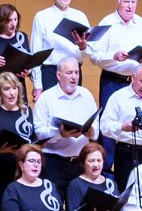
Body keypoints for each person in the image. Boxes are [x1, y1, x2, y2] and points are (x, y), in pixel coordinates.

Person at [31, 56, 99, 193]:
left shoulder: (86, 95)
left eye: (76, 72)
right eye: (69, 73)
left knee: (81, 204)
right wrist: (59, 134)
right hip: (54, 164)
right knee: (54, 202)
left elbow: (96, 126)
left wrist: (92, 132)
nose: (74, 77)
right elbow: (39, 132)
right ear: (58, 75)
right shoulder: (46, 98)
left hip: (81, 162)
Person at [87, 0, 142, 105]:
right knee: (109, 115)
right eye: (126, 2)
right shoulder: (107, 22)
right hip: (112, 81)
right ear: (118, 2)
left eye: (133, 2)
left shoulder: (141, 23)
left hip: (136, 83)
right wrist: (113, 56)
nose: (130, 6)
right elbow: (94, 57)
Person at [0, 71, 34, 205]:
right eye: (7, 89)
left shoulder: (26, 110)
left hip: (20, 172)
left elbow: (32, 138)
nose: (12, 93)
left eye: (14, 88)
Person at [29, 0, 88, 94]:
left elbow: (88, 50)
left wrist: (83, 47)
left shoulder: (80, 16)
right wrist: (37, 84)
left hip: (74, 71)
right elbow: (36, 52)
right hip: (50, 72)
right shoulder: (42, 16)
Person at [65, 140, 118, 211]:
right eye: (91, 161)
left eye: (99, 160)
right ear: (83, 163)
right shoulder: (75, 184)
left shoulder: (111, 183)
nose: (96, 165)